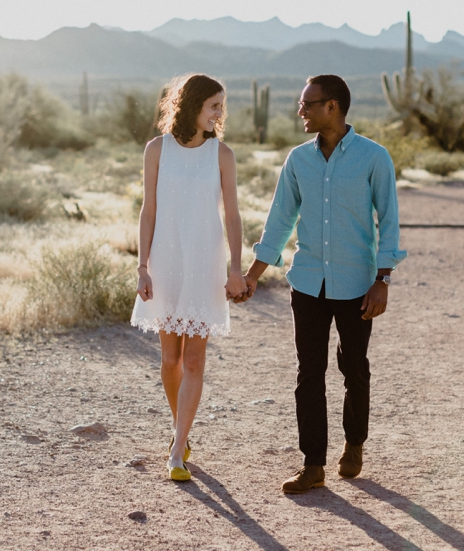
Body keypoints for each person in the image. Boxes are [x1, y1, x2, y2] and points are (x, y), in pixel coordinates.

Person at [242, 74, 407, 494]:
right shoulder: (298, 160)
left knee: (354, 368)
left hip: (357, 283)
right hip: (308, 282)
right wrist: (253, 275)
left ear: (332, 106)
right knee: (308, 374)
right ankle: (312, 464)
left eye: (308, 104)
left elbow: (388, 221)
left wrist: (383, 279)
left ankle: (354, 444)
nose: (301, 111)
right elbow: (280, 219)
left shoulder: (374, 157)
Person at [130, 73, 248, 482]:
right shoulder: (157, 149)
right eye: (214, 105)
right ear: (192, 105)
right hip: (166, 260)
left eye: (221, 106)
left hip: (205, 263)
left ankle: (178, 448)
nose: (220, 113)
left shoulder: (222, 154)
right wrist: (142, 265)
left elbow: (232, 215)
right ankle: (179, 428)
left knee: (194, 360)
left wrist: (236, 268)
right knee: (170, 360)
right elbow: (149, 211)